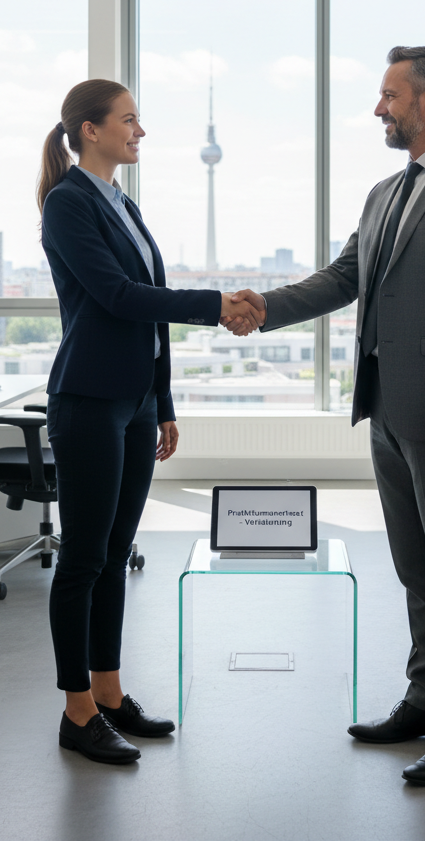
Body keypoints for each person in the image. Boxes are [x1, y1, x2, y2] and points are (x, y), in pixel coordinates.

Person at [225, 46, 425, 786]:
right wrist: (266, 309)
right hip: (387, 410)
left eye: (389, 96)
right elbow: (344, 278)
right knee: (416, 569)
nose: (378, 109)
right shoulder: (385, 192)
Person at [38, 79, 260, 764]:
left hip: (132, 402)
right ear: (90, 130)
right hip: (87, 401)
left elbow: (149, 319)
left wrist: (162, 402)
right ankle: (76, 711)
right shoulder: (68, 205)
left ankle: (109, 694)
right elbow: (119, 297)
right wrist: (218, 304)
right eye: (130, 121)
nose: (141, 132)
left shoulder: (122, 203)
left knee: (115, 553)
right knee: (82, 558)